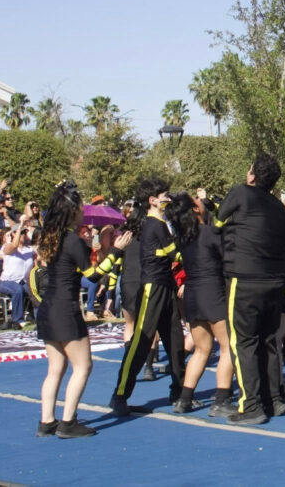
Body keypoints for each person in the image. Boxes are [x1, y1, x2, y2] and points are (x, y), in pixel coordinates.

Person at [36, 181, 131, 438]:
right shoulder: (72, 241)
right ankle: (68, 422)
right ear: (72, 212)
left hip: (47, 307)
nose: (83, 211)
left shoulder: (49, 236)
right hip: (65, 309)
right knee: (83, 365)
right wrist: (115, 252)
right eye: (80, 207)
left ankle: (47, 421)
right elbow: (92, 276)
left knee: (55, 368)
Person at [211, 153, 285, 424]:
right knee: (268, 340)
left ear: (252, 175)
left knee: (243, 342)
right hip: (274, 280)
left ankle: (251, 406)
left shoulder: (240, 193)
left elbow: (217, 224)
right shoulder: (281, 208)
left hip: (244, 278)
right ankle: (274, 399)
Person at [110, 178, 187, 416]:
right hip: (153, 288)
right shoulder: (155, 225)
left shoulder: (159, 224)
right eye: (165, 195)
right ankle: (120, 394)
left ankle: (179, 391)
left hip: (166, 286)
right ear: (153, 200)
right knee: (141, 341)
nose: (168, 198)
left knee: (175, 341)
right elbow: (177, 255)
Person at [166, 193, 235, 417]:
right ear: (194, 210)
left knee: (201, 349)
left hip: (193, 294)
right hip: (212, 292)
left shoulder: (182, 238)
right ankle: (222, 399)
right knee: (228, 347)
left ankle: (184, 399)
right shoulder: (209, 233)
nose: (202, 204)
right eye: (198, 202)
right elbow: (229, 259)